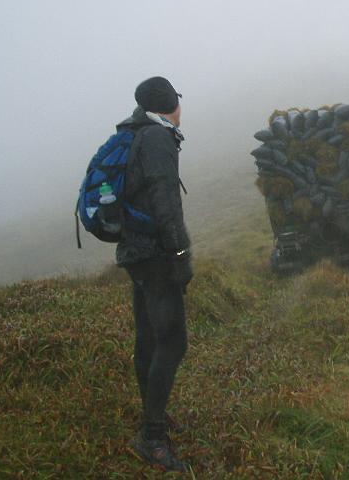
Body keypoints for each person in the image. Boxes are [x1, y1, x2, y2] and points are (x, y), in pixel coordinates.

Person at [116, 76, 193, 472]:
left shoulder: (135, 132)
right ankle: (152, 437)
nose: (181, 107)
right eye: (177, 101)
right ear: (168, 105)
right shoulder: (159, 139)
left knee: (147, 338)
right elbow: (165, 204)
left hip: (135, 253)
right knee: (173, 341)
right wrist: (181, 254)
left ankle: (153, 416)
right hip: (156, 256)